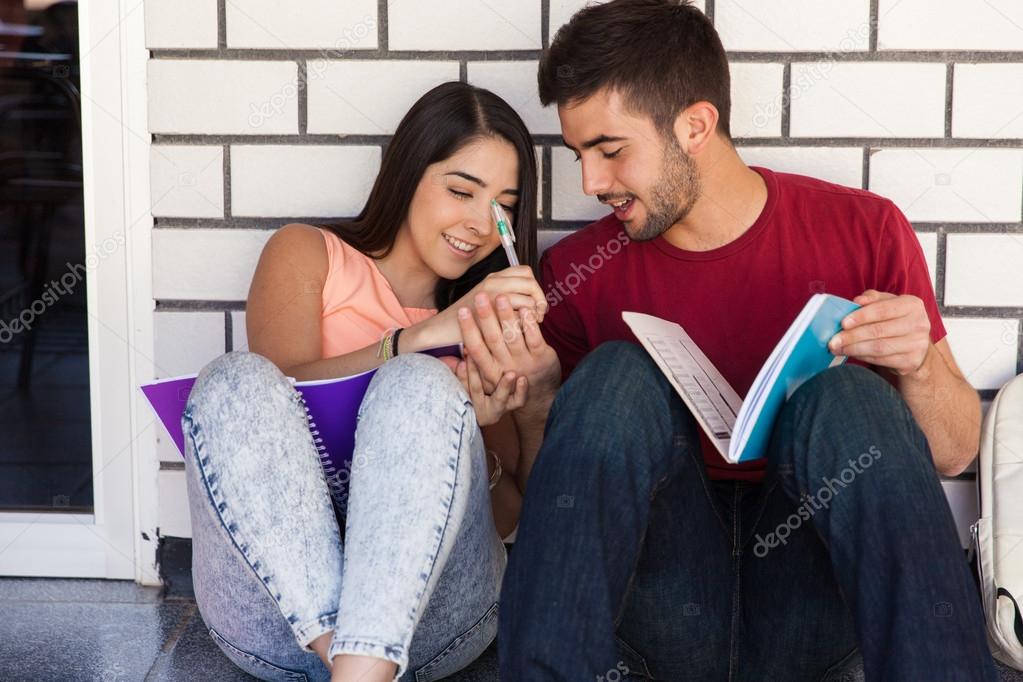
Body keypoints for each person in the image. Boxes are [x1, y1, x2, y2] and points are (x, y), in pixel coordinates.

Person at [452, 1, 997, 680]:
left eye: (610, 151)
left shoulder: (865, 229)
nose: (592, 184)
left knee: (846, 396)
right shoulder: (574, 274)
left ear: (695, 125)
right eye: (579, 155)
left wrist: (917, 365)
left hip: (812, 595)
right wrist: (534, 404)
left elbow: (952, 453)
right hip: (660, 602)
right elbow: (556, 512)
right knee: (614, 374)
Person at [181, 81, 548, 682]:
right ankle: (353, 662)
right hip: (276, 617)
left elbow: (507, 520)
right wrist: (418, 338)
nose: (482, 225)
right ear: (406, 174)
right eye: (461, 190)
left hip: (430, 622)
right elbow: (274, 393)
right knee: (233, 379)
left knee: (419, 388)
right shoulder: (307, 253)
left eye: (503, 205)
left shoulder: (487, 330)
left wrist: (475, 436)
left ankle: (363, 666)